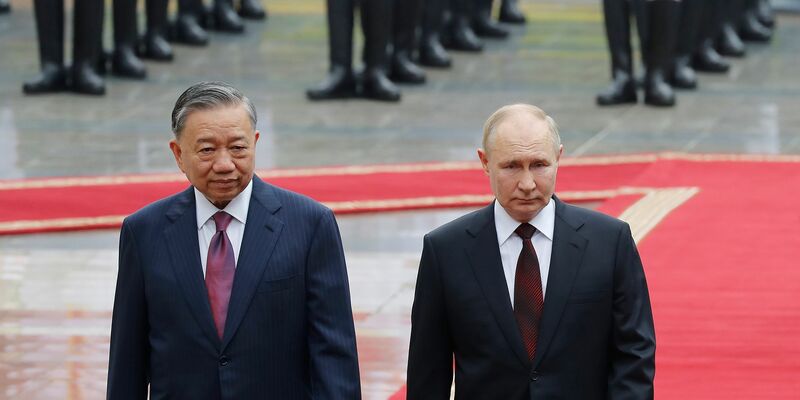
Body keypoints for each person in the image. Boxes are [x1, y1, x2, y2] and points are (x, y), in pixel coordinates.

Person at [107, 82, 362, 399]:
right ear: (178, 154)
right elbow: (127, 362)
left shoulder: (310, 225)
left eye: (238, 148)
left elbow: (334, 357)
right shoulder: (144, 232)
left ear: (255, 143)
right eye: (207, 150)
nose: (224, 164)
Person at [407, 104, 655, 399]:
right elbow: (427, 373)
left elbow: (634, 353)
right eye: (511, 166)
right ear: (485, 162)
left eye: (539, 165)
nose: (527, 184)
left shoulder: (609, 242)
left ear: (559, 158)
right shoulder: (446, 251)